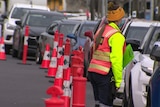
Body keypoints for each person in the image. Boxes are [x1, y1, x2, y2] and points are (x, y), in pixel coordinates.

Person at [88, 1, 126, 107]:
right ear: (119, 19)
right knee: (105, 104)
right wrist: (118, 82)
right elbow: (116, 60)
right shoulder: (116, 36)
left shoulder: (101, 30)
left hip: (93, 71)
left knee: (98, 103)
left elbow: (93, 50)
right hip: (104, 74)